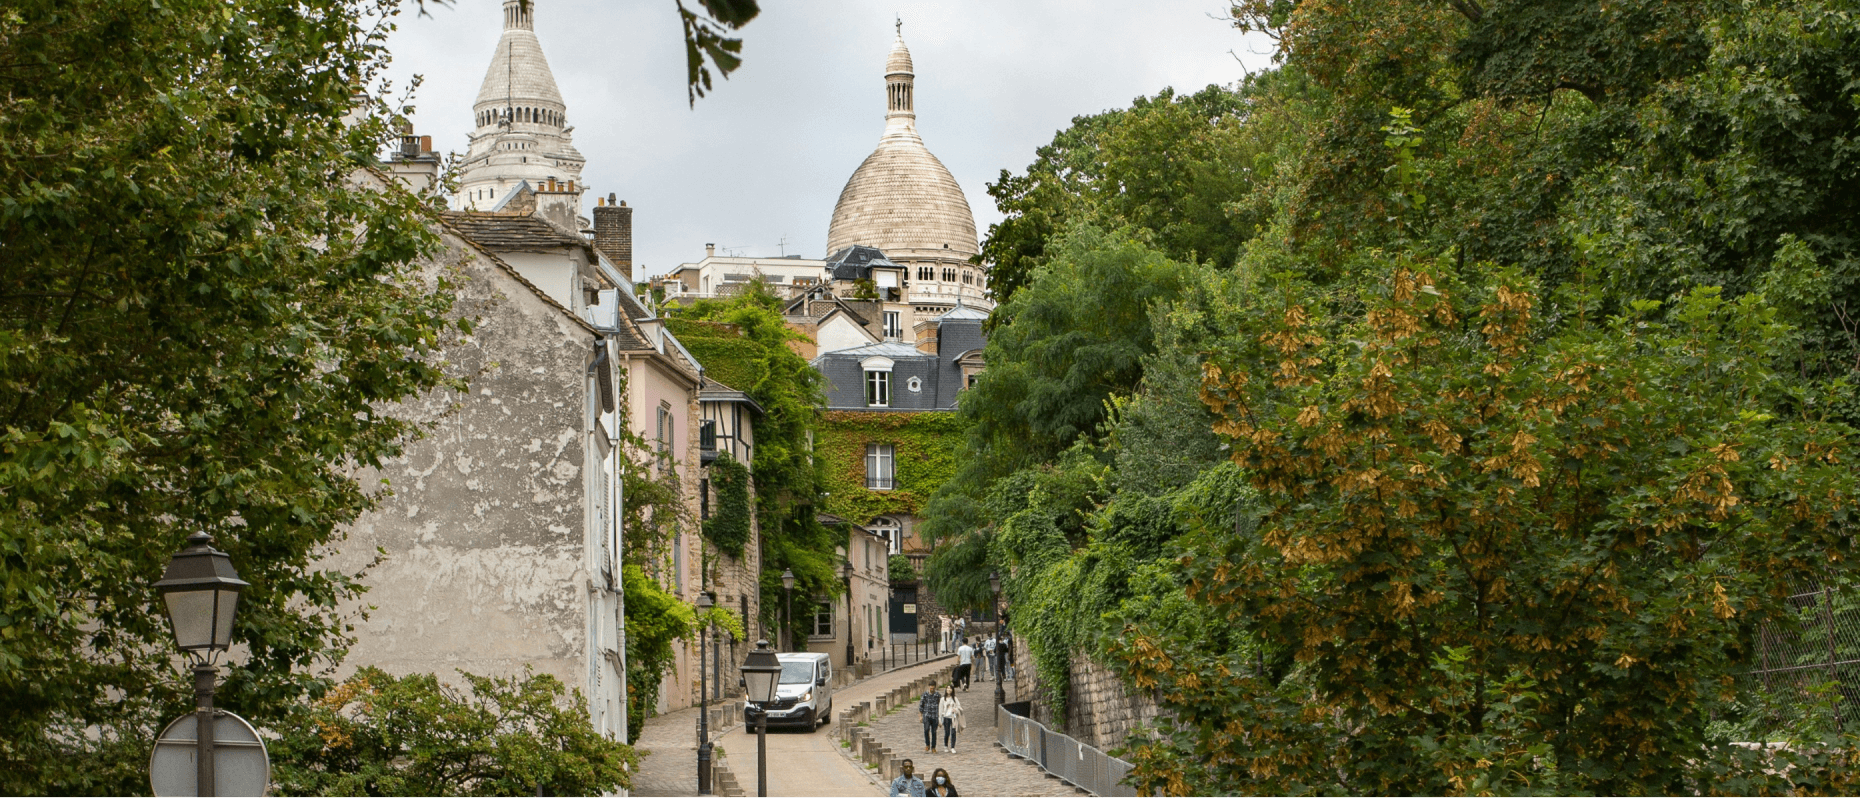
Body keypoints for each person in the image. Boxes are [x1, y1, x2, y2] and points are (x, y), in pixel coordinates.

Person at [938, 683, 965, 753]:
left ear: (952, 690)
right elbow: (940, 710)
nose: (949, 690)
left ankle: (953, 747)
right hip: (946, 718)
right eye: (947, 688)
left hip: (953, 718)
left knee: (953, 732)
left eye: (950, 688)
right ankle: (945, 746)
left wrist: (956, 710)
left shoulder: (955, 699)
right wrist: (940, 719)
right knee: (947, 733)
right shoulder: (942, 699)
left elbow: (959, 707)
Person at [917, 684, 942, 753]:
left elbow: (941, 706)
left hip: (935, 715)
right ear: (929, 687)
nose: (932, 689)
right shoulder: (925, 694)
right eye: (931, 688)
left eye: (933, 688)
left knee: (934, 732)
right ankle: (927, 744)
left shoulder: (938, 695)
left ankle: (933, 747)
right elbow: (921, 705)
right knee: (926, 729)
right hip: (926, 715)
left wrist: (940, 718)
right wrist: (920, 716)